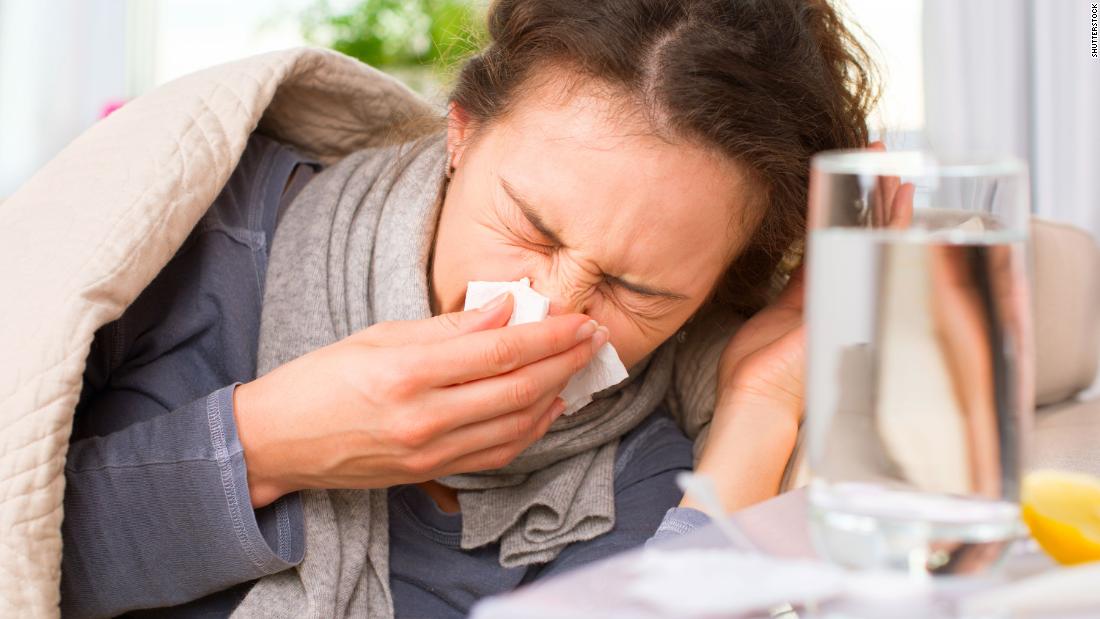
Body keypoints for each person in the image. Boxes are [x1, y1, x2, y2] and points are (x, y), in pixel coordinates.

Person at [62, 0, 880, 616]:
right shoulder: (199, 235)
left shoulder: (640, 458)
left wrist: (761, 406)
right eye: (532, 227)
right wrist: (269, 442)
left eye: (638, 291)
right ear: (461, 134)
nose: (553, 311)